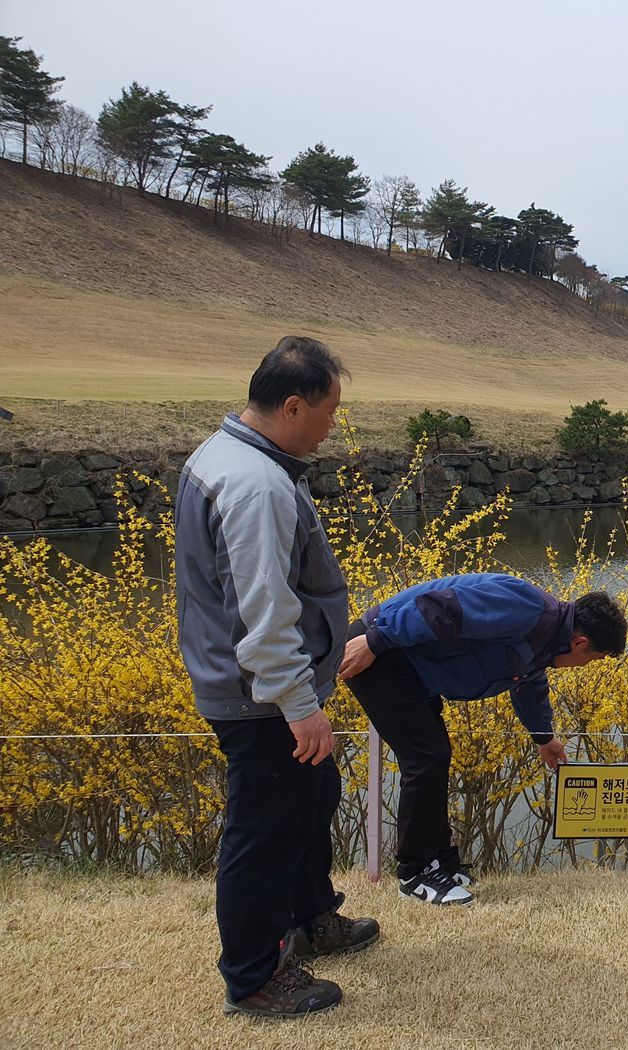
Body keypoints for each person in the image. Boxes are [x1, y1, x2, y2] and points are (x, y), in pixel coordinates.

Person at [175, 337, 378, 1018]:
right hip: (260, 698)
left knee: (310, 799)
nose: (332, 426)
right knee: (262, 833)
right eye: (328, 412)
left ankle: (311, 915)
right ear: (293, 405)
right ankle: (257, 976)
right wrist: (298, 702)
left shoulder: (238, 456)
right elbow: (262, 610)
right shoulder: (255, 484)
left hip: (266, 689)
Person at [339, 574, 628, 904]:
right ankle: (415, 873)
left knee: (434, 755)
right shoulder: (528, 606)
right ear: (580, 643)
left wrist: (543, 737)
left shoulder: (546, 639)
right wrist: (375, 641)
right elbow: (442, 608)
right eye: (592, 659)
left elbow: (528, 684)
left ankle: (441, 863)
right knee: (426, 757)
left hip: (408, 665)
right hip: (382, 652)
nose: (583, 666)